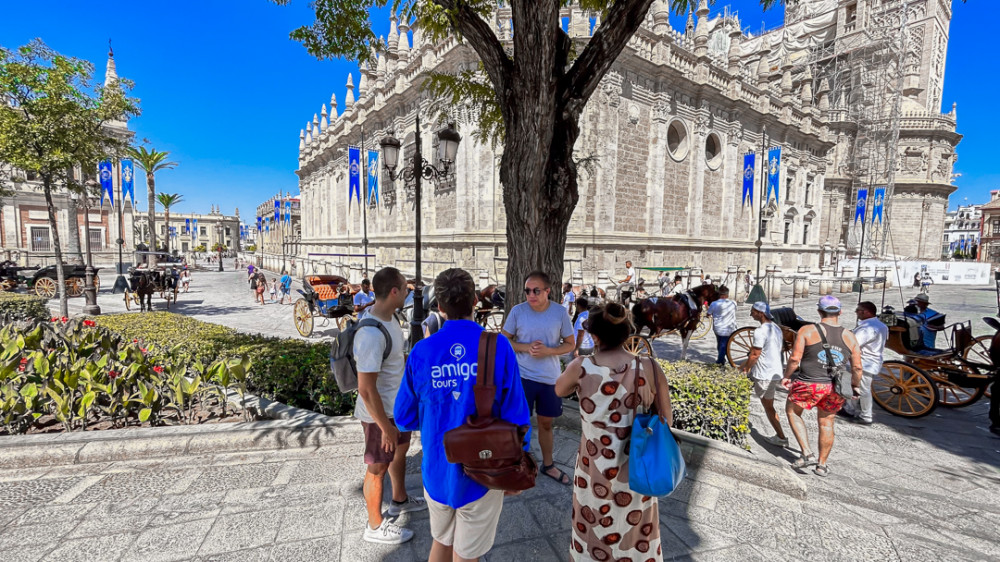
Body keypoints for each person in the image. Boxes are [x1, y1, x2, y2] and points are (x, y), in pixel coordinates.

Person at [395, 268, 530, 562]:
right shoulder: (499, 347)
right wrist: (518, 464)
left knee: (442, 542)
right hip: (484, 471)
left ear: (439, 307)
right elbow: (517, 415)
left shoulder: (422, 351)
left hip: (437, 471)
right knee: (467, 555)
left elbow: (404, 416)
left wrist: (439, 413)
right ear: (475, 303)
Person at [555, 302, 672, 562]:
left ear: (595, 336)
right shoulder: (650, 367)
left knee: (592, 525)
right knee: (635, 529)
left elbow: (559, 390)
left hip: (592, 471)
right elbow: (667, 421)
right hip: (636, 469)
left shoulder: (581, 367)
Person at [355, 267, 425, 544]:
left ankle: (399, 499)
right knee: (377, 468)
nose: (409, 293)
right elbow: (366, 388)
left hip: (397, 409)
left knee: (399, 453)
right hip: (380, 415)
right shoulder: (371, 335)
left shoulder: (390, 318)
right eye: (405, 289)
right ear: (394, 292)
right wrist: (384, 427)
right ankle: (374, 526)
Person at [501, 271, 576, 485]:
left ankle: (548, 464)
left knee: (545, 424)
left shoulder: (560, 313)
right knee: (519, 423)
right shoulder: (518, 311)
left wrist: (549, 351)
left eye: (536, 290)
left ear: (547, 291)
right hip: (522, 377)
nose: (531, 295)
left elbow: (570, 344)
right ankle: (516, 464)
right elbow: (504, 340)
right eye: (527, 291)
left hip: (550, 379)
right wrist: (525, 347)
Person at [781, 295, 862, 477]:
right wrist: (855, 385)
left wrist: (786, 377)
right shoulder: (850, 336)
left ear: (819, 311)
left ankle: (806, 452)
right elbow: (857, 366)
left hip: (808, 382)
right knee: (826, 423)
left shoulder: (807, 331)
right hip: (835, 387)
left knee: (793, 412)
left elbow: (795, 359)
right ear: (840, 312)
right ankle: (822, 465)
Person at [739, 301, 788, 446]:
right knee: (768, 405)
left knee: (767, 406)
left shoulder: (760, 331)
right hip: (775, 372)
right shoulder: (776, 328)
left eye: (753, 311)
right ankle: (780, 436)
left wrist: (746, 368)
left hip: (764, 374)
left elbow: (754, 354)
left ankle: (781, 437)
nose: (750, 314)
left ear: (760, 313)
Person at [841, 301, 888, 425]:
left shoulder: (868, 328)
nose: (856, 312)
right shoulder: (881, 325)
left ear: (866, 312)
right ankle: (849, 408)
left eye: (858, 310)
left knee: (863, 389)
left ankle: (866, 416)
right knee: (854, 386)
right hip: (871, 361)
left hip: (864, 362)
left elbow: (854, 343)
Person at [707, 286, 737, 364]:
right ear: (727, 294)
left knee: (721, 343)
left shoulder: (714, 304)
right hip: (730, 327)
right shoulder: (733, 303)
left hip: (718, 328)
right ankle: (722, 357)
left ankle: (720, 360)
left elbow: (708, 314)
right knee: (723, 343)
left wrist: (707, 307)